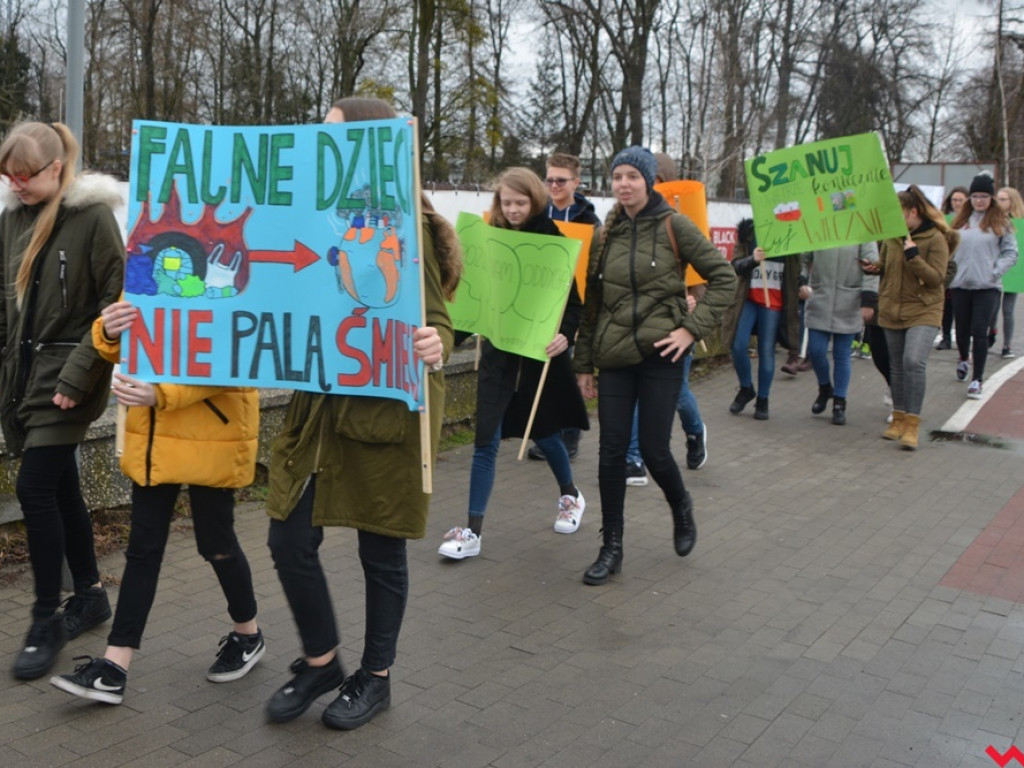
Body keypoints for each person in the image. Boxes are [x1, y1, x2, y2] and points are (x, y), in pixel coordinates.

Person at [264, 97, 462, 730]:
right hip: (320, 412)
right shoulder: (312, 217)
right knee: (288, 538)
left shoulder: (404, 227)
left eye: (335, 135)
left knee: (381, 552)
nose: (322, 144)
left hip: (383, 418)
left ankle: (374, 679)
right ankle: (322, 660)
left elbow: (438, 321)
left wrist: (435, 344)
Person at [51, 304, 263, 703]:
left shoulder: (235, 270)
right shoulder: (148, 256)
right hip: (154, 434)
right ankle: (114, 666)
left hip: (211, 434)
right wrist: (109, 332)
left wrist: (161, 393)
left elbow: (240, 358)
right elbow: (131, 345)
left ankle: (248, 634)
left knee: (215, 545)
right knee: (143, 551)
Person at [574, 147, 735, 585]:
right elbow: (594, 307)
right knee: (610, 453)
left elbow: (724, 279)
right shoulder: (605, 234)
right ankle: (612, 547)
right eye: (617, 176)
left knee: (654, 449)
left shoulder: (674, 225)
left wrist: (689, 329)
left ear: (648, 181)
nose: (623, 183)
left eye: (632, 176)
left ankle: (681, 505)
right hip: (615, 358)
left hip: (662, 356)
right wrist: (583, 363)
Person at [0, 122, 124, 680]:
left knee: (33, 487)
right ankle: (92, 594)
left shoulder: (93, 218)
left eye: (24, 175)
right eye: (7, 174)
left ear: (56, 168)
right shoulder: (11, 220)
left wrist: (77, 377)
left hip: (66, 379)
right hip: (20, 379)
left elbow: (116, 306)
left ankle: (46, 616)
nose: (14, 184)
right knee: (61, 487)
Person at [439, 167, 589, 559]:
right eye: (506, 203)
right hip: (497, 359)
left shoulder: (553, 241)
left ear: (535, 200)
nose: (513, 209)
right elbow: (471, 301)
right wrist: (443, 343)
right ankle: (472, 532)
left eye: (520, 202)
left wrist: (565, 335)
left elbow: (573, 306)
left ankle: (570, 495)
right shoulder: (487, 240)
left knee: (545, 434)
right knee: (485, 441)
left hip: (538, 360)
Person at [625, 153, 711, 481]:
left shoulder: (685, 215)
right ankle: (634, 457)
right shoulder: (630, 216)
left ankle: (694, 431)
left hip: (677, 322)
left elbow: (704, 273)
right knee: (636, 385)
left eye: (647, 179)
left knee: (676, 392)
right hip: (639, 321)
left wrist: (692, 300)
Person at [528, 152, 599, 463]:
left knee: (566, 375)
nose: (553, 185)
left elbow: (594, 266)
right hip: (540, 303)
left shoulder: (589, 221)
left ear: (576, 182)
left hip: (575, 306)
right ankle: (548, 434)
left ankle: (569, 437)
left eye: (561, 180)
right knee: (545, 373)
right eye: (549, 179)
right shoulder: (537, 213)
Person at [874, 185, 957, 449]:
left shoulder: (935, 239)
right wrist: (873, 267)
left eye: (899, 213)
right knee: (896, 366)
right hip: (893, 308)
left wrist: (914, 257)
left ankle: (912, 424)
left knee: (913, 361)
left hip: (924, 309)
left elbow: (936, 279)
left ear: (913, 211)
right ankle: (897, 419)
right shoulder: (891, 237)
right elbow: (885, 266)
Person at [721, 218, 801, 421]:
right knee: (738, 345)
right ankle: (746, 388)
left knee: (766, 350)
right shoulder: (748, 232)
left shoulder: (791, 234)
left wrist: (803, 286)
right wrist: (752, 259)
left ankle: (763, 399)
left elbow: (798, 271)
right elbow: (735, 265)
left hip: (773, 301)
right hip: (749, 299)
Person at [949, 173, 1018, 398]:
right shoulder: (960, 222)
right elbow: (948, 248)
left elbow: (1011, 252)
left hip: (987, 286)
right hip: (960, 285)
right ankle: (962, 358)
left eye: (984, 196)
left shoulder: (1001, 223)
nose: (979, 200)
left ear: (991, 198)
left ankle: (977, 379)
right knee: (961, 330)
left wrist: (996, 270)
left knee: (980, 331)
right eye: (976, 196)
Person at [801, 241, 878, 425]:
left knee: (842, 354)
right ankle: (825, 387)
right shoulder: (818, 224)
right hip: (820, 297)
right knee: (816, 350)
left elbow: (872, 266)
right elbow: (803, 258)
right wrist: (802, 282)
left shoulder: (862, 230)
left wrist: (868, 300)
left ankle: (839, 401)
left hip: (849, 300)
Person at [937, 186, 969, 350]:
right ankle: (946, 337)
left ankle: (963, 339)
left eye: (960, 200)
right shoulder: (945, 220)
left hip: (965, 270)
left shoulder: (970, 222)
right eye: (954, 200)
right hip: (947, 267)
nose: (956, 203)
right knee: (946, 307)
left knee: (961, 309)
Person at [995, 186, 1024, 358]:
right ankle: (991, 333)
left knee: (1008, 310)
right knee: (992, 309)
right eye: (997, 198)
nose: (999, 202)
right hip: (994, 269)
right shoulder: (993, 220)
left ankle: (1007, 345)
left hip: (1013, 272)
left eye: (1003, 199)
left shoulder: (1019, 222)